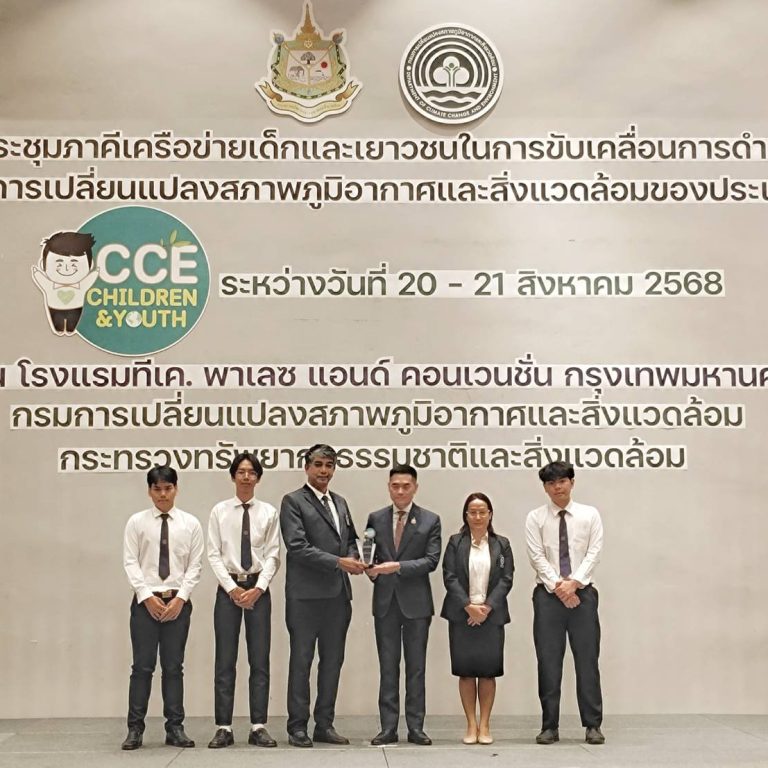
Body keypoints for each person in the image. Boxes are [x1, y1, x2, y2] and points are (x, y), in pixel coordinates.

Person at [279, 444, 366, 747]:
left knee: (332, 662)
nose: (324, 471)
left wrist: (354, 556)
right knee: (302, 662)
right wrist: (339, 562)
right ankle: (297, 727)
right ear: (306, 467)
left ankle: (324, 725)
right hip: (305, 598)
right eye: (318, 464)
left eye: (329, 465)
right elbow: (297, 546)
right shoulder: (293, 501)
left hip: (338, 597)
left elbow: (351, 539)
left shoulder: (340, 502)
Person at [121, 466, 203, 750]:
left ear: (176, 489)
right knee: (142, 667)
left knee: (173, 667)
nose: (163, 495)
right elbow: (131, 561)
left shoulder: (190, 524)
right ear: (149, 491)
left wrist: (181, 598)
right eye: (157, 489)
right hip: (145, 603)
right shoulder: (136, 522)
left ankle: (175, 727)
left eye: (168, 488)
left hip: (178, 603)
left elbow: (195, 566)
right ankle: (135, 729)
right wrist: (146, 596)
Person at [525, 461, 605, 746]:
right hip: (547, 597)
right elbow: (536, 556)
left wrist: (575, 583)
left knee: (587, 661)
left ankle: (593, 725)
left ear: (572, 482)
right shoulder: (535, 518)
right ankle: (549, 725)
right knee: (548, 662)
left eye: (561, 481)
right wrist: (559, 586)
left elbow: (594, 552)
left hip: (583, 595)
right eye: (550, 483)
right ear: (545, 488)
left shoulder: (589, 514)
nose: (557, 487)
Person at [206, 452, 281, 748]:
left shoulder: (268, 512)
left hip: (258, 590)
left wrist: (258, 589)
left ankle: (258, 726)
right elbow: (213, 554)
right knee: (225, 660)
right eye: (241, 471)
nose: (246, 477)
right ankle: (223, 727)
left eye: (251, 472)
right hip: (228, 591)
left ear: (258, 478)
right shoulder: (219, 511)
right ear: (233, 476)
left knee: (259, 659)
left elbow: (273, 555)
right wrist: (232, 589)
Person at [365, 465, 441, 746]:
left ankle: (416, 727)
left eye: (405, 486)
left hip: (416, 605)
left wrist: (396, 566)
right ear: (388, 487)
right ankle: (388, 727)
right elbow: (369, 554)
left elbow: (431, 561)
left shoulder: (430, 520)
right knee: (388, 667)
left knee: (416, 668)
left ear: (415, 488)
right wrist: (370, 569)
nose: (400, 491)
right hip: (385, 602)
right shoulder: (376, 518)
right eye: (395, 485)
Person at [441, 492, 513, 746]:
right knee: (466, 672)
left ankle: (485, 724)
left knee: (488, 673)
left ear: (490, 514)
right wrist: (468, 607)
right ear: (466, 515)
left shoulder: (501, 544)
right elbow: (449, 576)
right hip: (462, 616)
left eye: (482, 512)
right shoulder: (455, 542)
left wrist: (487, 608)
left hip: (491, 617)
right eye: (473, 512)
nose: (478, 516)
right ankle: (471, 723)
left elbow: (506, 578)